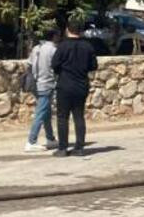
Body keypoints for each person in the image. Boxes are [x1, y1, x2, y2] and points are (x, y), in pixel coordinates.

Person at [51, 16, 98, 157]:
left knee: (62, 117)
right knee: (79, 116)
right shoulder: (88, 46)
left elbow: (54, 65)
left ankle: (63, 148)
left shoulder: (62, 46)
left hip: (64, 85)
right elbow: (93, 66)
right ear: (81, 31)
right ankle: (79, 148)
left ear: (67, 30)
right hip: (81, 85)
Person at [24, 27, 61, 152]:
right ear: (54, 36)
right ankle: (31, 141)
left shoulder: (36, 48)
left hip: (36, 84)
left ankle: (50, 138)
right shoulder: (53, 50)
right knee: (41, 113)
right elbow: (57, 68)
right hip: (46, 84)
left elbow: (29, 64)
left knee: (46, 112)